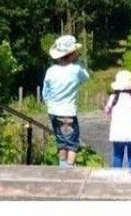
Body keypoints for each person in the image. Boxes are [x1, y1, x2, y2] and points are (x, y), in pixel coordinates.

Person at [42, 35, 90, 168]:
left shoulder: (50, 70)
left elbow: (45, 93)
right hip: (67, 112)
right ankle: (69, 168)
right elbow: (86, 77)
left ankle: (62, 166)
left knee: (61, 141)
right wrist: (79, 62)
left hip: (53, 112)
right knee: (72, 144)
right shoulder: (76, 69)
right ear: (72, 53)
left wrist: (49, 104)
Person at [104, 70, 131, 168]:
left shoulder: (113, 98)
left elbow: (107, 111)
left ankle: (117, 177)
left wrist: (110, 110)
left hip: (118, 132)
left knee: (117, 155)